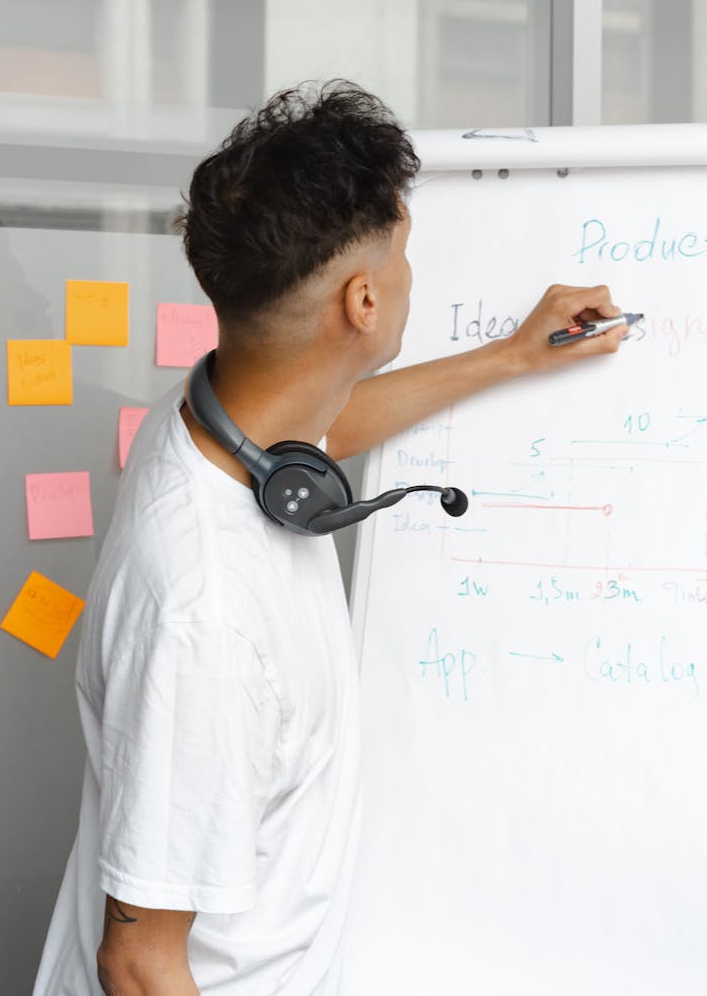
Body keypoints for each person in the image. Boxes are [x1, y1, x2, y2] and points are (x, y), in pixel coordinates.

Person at [33, 82, 628, 995]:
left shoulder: (211, 423)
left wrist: (509, 355)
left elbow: (326, 427)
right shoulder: (206, 618)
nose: (408, 276)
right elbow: (140, 962)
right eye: (403, 257)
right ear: (362, 301)